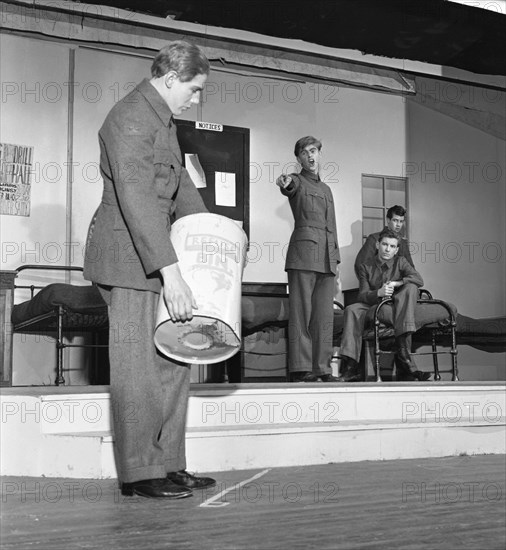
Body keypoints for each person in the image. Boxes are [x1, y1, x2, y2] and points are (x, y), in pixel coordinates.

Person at [84, 41, 216, 499]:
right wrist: (172, 272)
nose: (195, 99)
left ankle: (170, 462)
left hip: (159, 255)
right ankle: (140, 473)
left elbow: (180, 186)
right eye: (194, 90)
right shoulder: (131, 117)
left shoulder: (163, 119)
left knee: (173, 359)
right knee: (137, 368)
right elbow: (138, 200)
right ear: (170, 79)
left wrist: (216, 236)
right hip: (126, 259)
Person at [276, 136, 341, 382]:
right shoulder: (298, 181)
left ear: (320, 153)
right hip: (303, 256)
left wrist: (337, 264)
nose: (310, 156)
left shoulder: (326, 189)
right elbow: (287, 185)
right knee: (302, 314)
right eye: (304, 153)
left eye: (313, 151)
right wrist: (284, 181)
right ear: (299, 158)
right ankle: (302, 369)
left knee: (324, 317)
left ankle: (322, 369)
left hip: (326, 259)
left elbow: (332, 227)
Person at [338, 228, 431, 382]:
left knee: (411, 286)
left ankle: (405, 355)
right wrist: (378, 293)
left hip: (396, 304)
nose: (388, 249)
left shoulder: (401, 261)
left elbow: (418, 279)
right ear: (377, 245)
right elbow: (362, 295)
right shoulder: (365, 266)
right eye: (385, 244)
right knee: (351, 309)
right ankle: (351, 367)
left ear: (397, 250)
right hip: (373, 303)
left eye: (392, 246)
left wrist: (397, 283)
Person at [354, 205, 414, 278]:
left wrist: (401, 283)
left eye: (401, 221)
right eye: (395, 220)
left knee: (412, 287)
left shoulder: (403, 242)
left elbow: (411, 268)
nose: (398, 225)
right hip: (378, 285)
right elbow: (360, 265)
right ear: (388, 220)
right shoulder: (374, 238)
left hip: (399, 285)